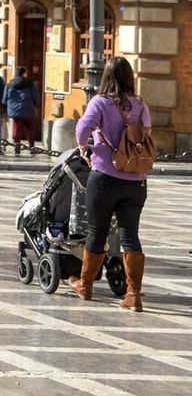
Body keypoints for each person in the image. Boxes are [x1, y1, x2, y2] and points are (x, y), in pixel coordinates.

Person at [69, 57, 150, 310]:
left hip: (105, 177)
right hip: (136, 181)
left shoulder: (100, 102)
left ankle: (86, 285)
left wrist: (85, 147)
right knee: (130, 234)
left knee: (97, 232)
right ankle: (133, 294)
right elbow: (145, 133)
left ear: (106, 77)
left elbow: (83, 129)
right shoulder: (140, 104)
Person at [3, 66, 41, 153]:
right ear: (24, 73)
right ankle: (32, 147)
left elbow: (4, 99)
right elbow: (36, 97)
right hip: (29, 109)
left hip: (15, 110)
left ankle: (17, 146)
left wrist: (9, 106)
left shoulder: (9, 85)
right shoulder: (30, 84)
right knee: (30, 129)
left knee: (17, 128)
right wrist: (34, 105)